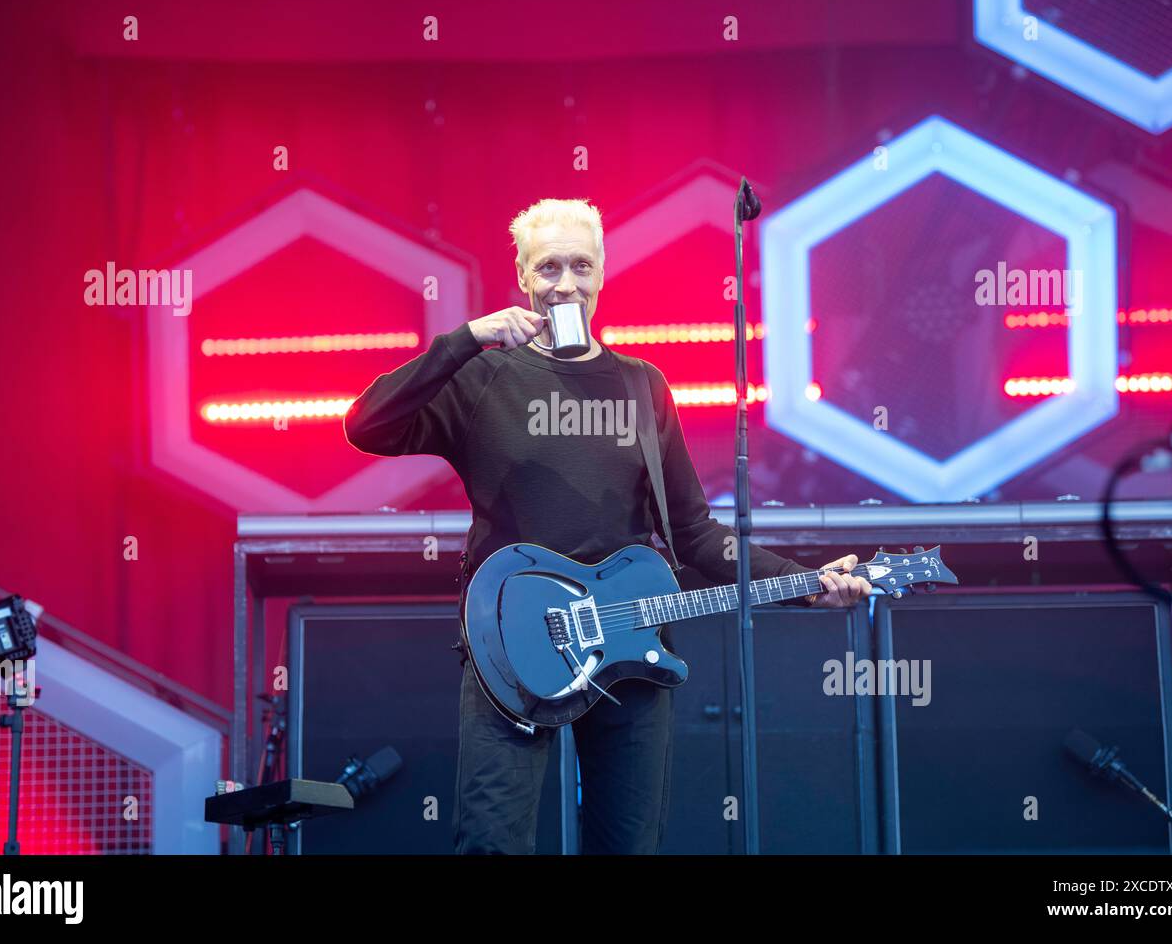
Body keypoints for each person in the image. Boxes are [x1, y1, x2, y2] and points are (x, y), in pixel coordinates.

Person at [343, 197, 871, 854]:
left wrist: (805, 582)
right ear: (522, 274)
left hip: (629, 645)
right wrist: (465, 339)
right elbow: (366, 425)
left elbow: (695, 532)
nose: (565, 283)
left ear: (601, 273)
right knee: (490, 843)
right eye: (548, 267)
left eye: (580, 266)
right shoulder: (481, 377)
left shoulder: (642, 386)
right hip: (510, 644)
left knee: (628, 844)